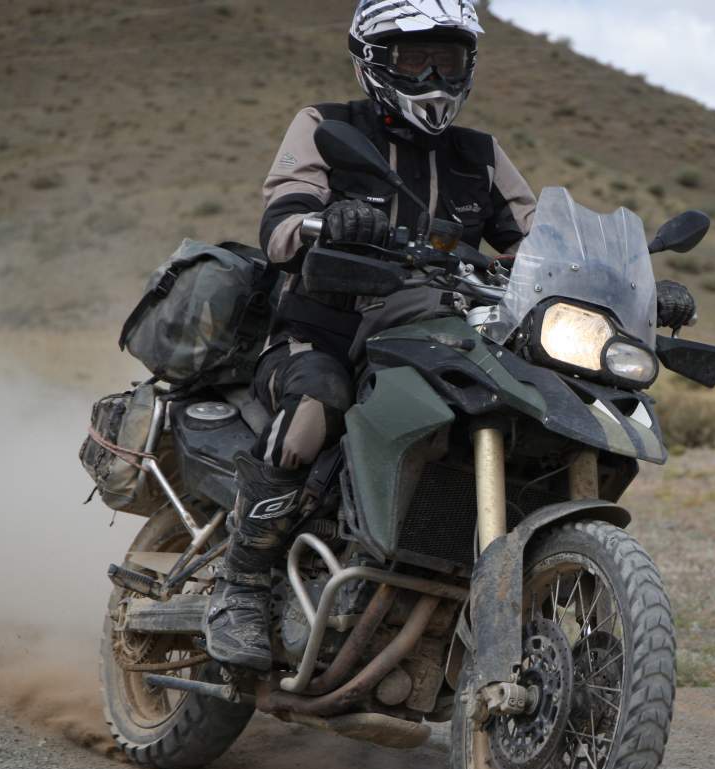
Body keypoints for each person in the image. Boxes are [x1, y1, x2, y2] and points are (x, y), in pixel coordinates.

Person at [204, 0, 537, 670]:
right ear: (374, 59)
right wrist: (326, 222)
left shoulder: (480, 155)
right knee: (316, 407)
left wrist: (605, 277)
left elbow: (537, 239)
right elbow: (279, 224)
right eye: (416, 57)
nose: (435, 72)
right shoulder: (326, 127)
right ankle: (239, 582)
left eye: (449, 56)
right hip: (325, 336)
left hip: (436, 338)